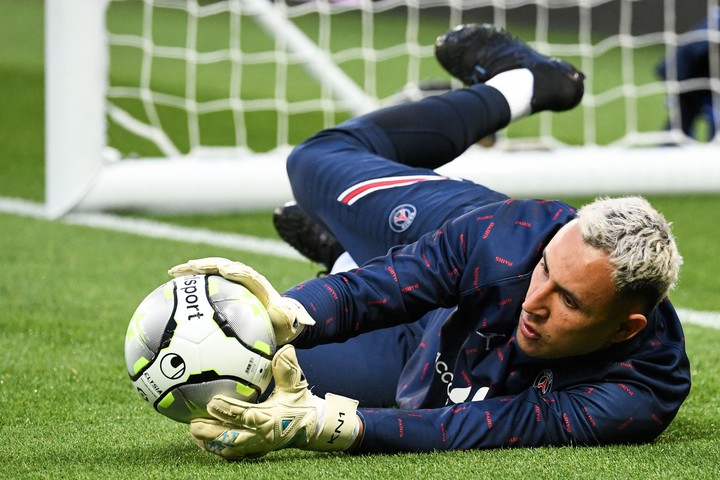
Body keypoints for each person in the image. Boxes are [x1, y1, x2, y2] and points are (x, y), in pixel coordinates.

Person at [170, 23, 690, 458]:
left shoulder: (635, 392)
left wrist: (326, 426)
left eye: (570, 301)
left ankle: (344, 252)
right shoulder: (505, 239)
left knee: (257, 381)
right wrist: (285, 313)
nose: (536, 302)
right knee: (315, 161)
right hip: (452, 250)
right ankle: (524, 82)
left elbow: (487, 425)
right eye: (548, 271)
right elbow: (396, 284)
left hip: (432, 352)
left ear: (625, 327)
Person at [656, 4, 719, 140]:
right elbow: (688, 56)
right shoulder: (711, 31)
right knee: (682, 124)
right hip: (686, 79)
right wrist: (675, 88)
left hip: (704, 79)